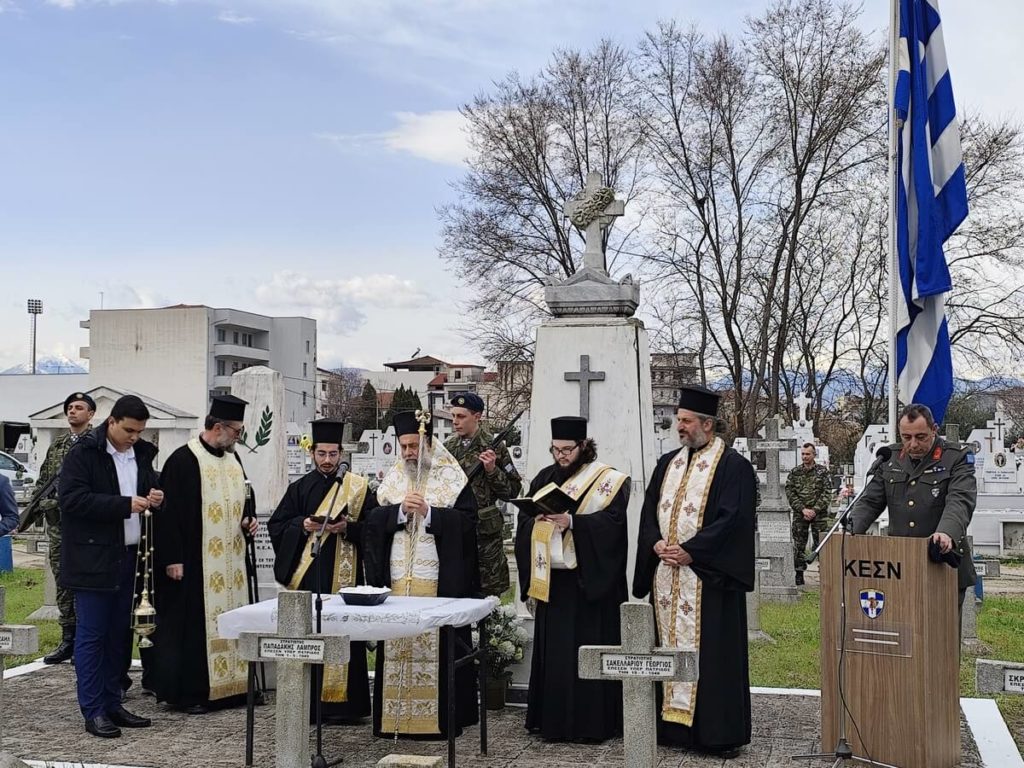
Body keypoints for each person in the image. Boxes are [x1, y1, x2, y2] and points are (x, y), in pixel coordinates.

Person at [633, 385, 756, 760]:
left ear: (707, 423)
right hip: (667, 576)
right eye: (679, 421)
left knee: (713, 655)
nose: (679, 427)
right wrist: (655, 542)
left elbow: (732, 521)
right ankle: (673, 728)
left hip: (708, 578)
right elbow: (649, 508)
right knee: (667, 646)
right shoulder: (667, 462)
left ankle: (715, 733)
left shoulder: (733, 467)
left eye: (686, 421)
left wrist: (691, 552)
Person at [362, 410, 479, 739]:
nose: (409, 453)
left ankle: (438, 721)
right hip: (399, 583)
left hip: (439, 585)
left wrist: (431, 515)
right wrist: (398, 512)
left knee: (438, 649)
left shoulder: (452, 478)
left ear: (428, 443)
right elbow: (372, 521)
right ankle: (393, 721)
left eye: (414, 445)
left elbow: (469, 525)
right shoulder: (395, 479)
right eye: (404, 447)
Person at [514, 416, 629, 742]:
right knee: (556, 659)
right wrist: (536, 521)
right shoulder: (544, 478)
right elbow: (524, 522)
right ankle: (554, 723)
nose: (561, 456)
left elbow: (614, 524)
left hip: (588, 586)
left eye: (567, 450)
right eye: (556, 449)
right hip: (553, 584)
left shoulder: (608, 480)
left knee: (586, 654)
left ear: (582, 447)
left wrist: (574, 523)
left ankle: (593, 725)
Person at [58, 394, 162, 738]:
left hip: (130, 555)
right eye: (129, 430)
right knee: (92, 636)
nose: (134, 437)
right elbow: (72, 501)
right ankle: (93, 709)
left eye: (140, 431)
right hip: (92, 558)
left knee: (119, 635)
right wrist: (123, 504)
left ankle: (113, 701)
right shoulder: (84, 452)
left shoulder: (142, 453)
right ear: (112, 421)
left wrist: (156, 495)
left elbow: (147, 488)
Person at [147, 395, 257, 714]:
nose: (239, 437)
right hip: (194, 563)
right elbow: (167, 515)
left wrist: (248, 520)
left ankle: (233, 688)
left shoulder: (233, 460)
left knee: (232, 621)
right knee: (192, 628)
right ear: (218, 427)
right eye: (236, 431)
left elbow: (244, 500)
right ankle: (192, 693)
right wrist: (172, 558)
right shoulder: (183, 460)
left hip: (231, 563)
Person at [268, 419, 375, 722]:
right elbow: (277, 525)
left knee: (343, 632)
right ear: (312, 453)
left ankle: (347, 708)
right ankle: (312, 707)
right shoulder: (299, 488)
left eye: (333, 454)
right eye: (322, 454)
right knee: (313, 634)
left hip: (345, 576)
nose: (327, 460)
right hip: (310, 575)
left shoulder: (357, 488)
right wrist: (301, 525)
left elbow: (375, 528)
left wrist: (348, 528)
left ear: (342, 453)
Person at [849, 403, 977, 604]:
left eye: (921, 437)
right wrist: (849, 531)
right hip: (899, 564)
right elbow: (870, 502)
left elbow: (960, 500)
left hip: (941, 560)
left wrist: (946, 533)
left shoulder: (955, 457)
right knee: (901, 631)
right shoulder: (889, 458)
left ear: (934, 430)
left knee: (940, 633)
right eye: (906, 437)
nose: (913, 444)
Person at [29, 392, 96, 664]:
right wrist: (42, 503)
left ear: (91, 414)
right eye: (69, 408)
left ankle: (85, 640)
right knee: (62, 579)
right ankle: (67, 637)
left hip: (85, 527)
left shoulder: (96, 444)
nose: (72, 412)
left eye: (79, 408)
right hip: (59, 526)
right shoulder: (57, 445)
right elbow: (44, 480)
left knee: (85, 582)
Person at [444, 392, 522, 597]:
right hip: (456, 528)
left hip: (485, 534)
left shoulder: (495, 447)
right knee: (456, 590)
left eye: (461, 417)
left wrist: (492, 471)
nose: (455, 422)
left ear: (477, 417)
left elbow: (512, 491)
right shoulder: (447, 449)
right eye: (453, 416)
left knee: (488, 593)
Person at [785, 442, 832, 586]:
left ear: (814, 455)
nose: (805, 457)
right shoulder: (795, 472)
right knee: (799, 545)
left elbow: (827, 492)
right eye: (803, 454)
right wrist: (802, 509)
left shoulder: (822, 472)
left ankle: (824, 574)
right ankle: (799, 574)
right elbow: (790, 492)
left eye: (808, 454)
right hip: (801, 514)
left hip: (819, 515)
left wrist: (815, 510)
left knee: (821, 544)